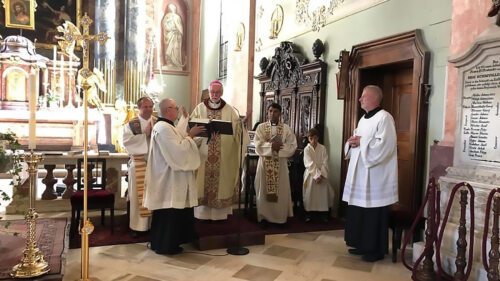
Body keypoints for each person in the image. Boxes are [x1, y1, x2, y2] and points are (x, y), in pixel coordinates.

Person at [343, 85, 398, 262]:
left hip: (375, 176)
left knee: (374, 212)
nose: (360, 99)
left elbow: (386, 145)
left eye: (363, 96)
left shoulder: (385, 118)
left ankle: (376, 249)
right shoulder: (363, 119)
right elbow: (360, 141)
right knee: (359, 209)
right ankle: (361, 244)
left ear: (374, 97)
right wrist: (352, 142)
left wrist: (362, 141)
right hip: (360, 174)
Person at [143, 98, 205, 255]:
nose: (177, 110)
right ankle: (165, 245)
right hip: (168, 179)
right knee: (168, 214)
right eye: (175, 108)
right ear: (167, 110)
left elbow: (181, 139)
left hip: (171, 178)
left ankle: (165, 243)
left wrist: (191, 135)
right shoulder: (163, 128)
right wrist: (190, 136)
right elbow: (178, 152)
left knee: (170, 214)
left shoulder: (167, 127)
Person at [191, 80, 249, 221]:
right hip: (204, 155)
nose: (215, 94)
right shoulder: (200, 108)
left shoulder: (230, 110)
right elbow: (191, 129)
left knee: (222, 183)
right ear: (209, 92)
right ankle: (202, 215)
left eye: (218, 92)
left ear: (222, 93)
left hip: (224, 157)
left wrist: (242, 125)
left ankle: (219, 216)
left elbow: (238, 132)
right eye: (212, 92)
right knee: (201, 183)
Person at [254, 102, 297, 225]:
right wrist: (271, 146)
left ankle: (280, 218)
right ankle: (263, 217)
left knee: (281, 191)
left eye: (276, 111)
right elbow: (257, 144)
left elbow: (292, 145)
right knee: (263, 190)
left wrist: (279, 148)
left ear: (280, 113)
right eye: (270, 111)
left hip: (281, 165)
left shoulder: (286, 129)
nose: (273, 113)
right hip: (264, 164)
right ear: (267, 112)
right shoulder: (261, 127)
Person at [122, 97, 155, 237]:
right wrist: (145, 135)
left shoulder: (159, 122)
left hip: (155, 164)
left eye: (150, 106)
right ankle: (138, 227)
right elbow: (126, 142)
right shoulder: (132, 124)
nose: (148, 109)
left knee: (153, 196)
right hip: (138, 163)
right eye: (145, 107)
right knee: (137, 198)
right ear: (139, 108)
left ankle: (153, 226)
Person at [302, 128, 334, 222]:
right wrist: (316, 175)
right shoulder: (307, 149)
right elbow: (308, 163)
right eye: (311, 138)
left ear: (318, 138)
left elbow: (325, 162)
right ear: (309, 138)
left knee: (322, 194)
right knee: (310, 193)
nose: (313, 140)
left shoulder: (322, 148)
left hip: (322, 174)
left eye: (315, 138)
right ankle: (309, 214)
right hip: (311, 173)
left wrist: (321, 175)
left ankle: (323, 214)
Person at [162, 3, 184, 68]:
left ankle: (176, 63)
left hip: (175, 36)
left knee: (175, 48)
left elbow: (180, 27)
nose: (171, 9)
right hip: (169, 35)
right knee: (168, 49)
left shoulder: (177, 17)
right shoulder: (167, 16)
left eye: (172, 8)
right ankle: (169, 62)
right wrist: (170, 29)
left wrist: (178, 31)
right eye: (170, 8)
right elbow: (164, 25)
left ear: (174, 9)